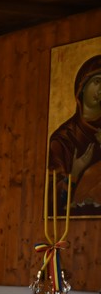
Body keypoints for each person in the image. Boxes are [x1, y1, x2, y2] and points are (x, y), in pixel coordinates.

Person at [48, 54, 101, 204]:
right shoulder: (63, 138)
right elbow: (53, 200)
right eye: (97, 82)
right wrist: (75, 172)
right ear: (82, 87)